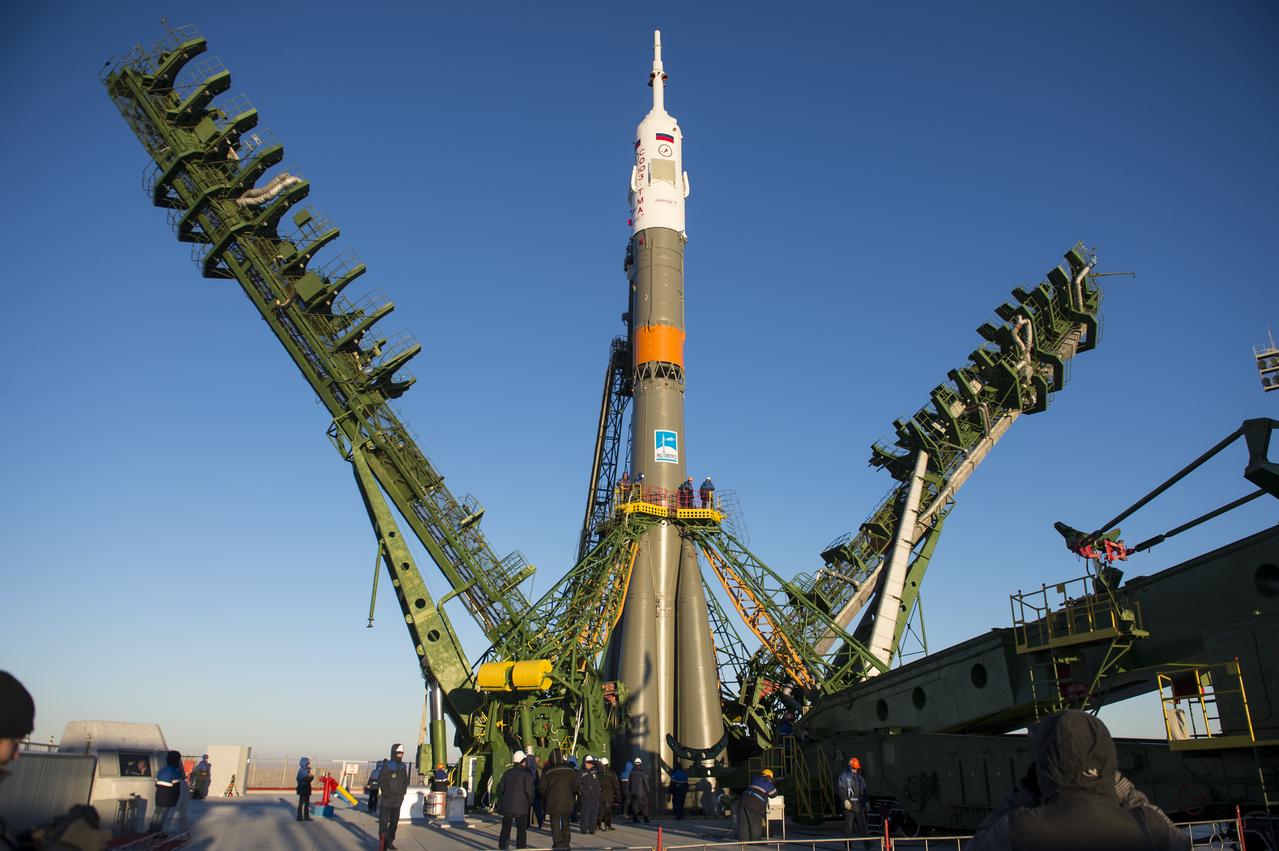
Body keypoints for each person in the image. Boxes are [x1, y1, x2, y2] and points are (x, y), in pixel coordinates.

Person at [968, 709, 1187, 851]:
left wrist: (1025, 790)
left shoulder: (1018, 829)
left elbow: (976, 845)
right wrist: (1112, 782)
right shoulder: (1150, 826)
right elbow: (1182, 844)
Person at [538, 748, 580, 850]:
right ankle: (566, 843)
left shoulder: (547, 771)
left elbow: (541, 788)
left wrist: (545, 797)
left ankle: (557, 844)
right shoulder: (570, 769)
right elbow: (576, 786)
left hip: (553, 801)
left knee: (555, 822)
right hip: (567, 801)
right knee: (566, 821)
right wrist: (572, 794)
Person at [497, 750, 534, 850]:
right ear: (522, 761)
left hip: (508, 806)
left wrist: (504, 802)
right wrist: (528, 803)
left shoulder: (507, 773)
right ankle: (520, 849)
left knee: (505, 830)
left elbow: (501, 789)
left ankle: (503, 848)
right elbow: (530, 792)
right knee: (521, 831)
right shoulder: (526, 775)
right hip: (521, 807)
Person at [377, 743, 411, 850]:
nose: (400, 755)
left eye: (401, 753)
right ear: (394, 753)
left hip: (397, 801)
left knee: (394, 823)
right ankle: (382, 845)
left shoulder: (402, 766)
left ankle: (390, 842)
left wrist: (403, 793)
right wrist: (387, 793)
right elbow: (381, 781)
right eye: (398, 753)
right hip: (387, 801)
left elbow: (405, 781)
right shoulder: (387, 766)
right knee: (383, 823)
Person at [150, 750, 185, 833]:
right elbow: (176, 787)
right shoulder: (175, 772)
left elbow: (156, 783)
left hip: (159, 794)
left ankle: (151, 829)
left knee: (157, 812)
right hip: (168, 796)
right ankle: (157, 832)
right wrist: (175, 799)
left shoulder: (161, 770)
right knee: (162, 815)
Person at [737, 768, 776, 841]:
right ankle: (756, 841)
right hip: (754, 805)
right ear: (769, 776)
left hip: (742, 802)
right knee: (755, 823)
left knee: (743, 824)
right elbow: (774, 793)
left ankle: (743, 841)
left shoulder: (755, 780)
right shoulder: (766, 781)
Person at [837, 757, 868, 838]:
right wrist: (845, 800)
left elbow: (864, 791)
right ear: (850, 767)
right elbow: (841, 789)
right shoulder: (843, 777)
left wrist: (866, 802)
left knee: (862, 826)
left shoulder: (860, 778)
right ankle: (848, 845)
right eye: (854, 769)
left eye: (856, 769)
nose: (855, 770)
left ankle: (867, 844)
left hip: (858, 805)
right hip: (849, 806)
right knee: (848, 827)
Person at [577, 756, 600, 835]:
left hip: (594, 795)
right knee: (585, 813)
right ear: (585, 763)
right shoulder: (581, 772)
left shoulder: (595, 770)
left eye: (591, 763)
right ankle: (583, 829)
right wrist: (582, 791)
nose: (590, 764)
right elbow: (577, 784)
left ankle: (592, 829)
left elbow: (602, 769)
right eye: (589, 763)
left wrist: (596, 762)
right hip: (586, 796)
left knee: (593, 812)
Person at [596, 757, 619, 831]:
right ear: (607, 763)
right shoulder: (612, 772)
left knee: (599, 811)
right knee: (608, 811)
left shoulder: (598, 772)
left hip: (600, 794)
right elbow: (616, 785)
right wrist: (617, 795)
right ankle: (607, 826)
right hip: (609, 794)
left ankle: (597, 826)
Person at [524, 750, 545, 829]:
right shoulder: (536, 770)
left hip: (528, 792)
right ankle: (540, 823)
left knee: (527, 809)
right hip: (536, 791)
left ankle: (527, 824)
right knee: (538, 809)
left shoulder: (525, 769)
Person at [628, 757, 651, 823]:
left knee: (635, 805)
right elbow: (645, 782)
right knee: (645, 805)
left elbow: (629, 783)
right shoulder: (642, 772)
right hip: (642, 792)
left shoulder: (631, 772)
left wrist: (630, 791)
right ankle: (645, 818)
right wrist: (648, 790)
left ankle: (635, 818)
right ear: (640, 764)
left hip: (633, 792)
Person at [295, 757, 314, 822]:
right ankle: (300, 817)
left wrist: (309, 773)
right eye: (308, 762)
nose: (309, 763)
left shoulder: (305, 770)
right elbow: (305, 779)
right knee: (302, 803)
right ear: (305, 762)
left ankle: (305, 817)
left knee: (306, 803)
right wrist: (311, 776)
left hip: (305, 788)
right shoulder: (302, 770)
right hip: (303, 788)